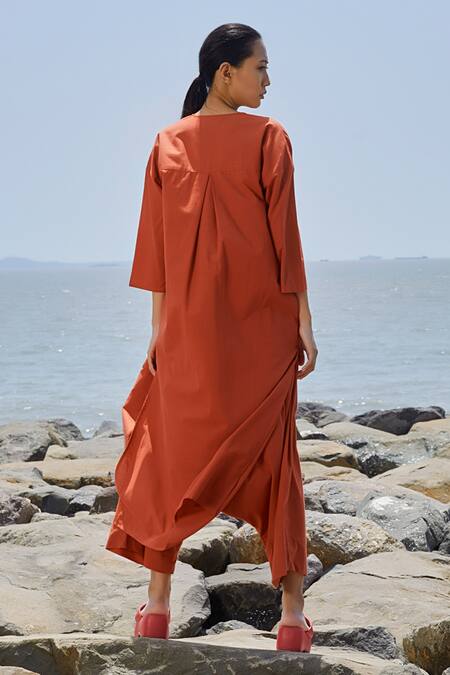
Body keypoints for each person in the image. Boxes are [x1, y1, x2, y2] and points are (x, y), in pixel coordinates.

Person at [105, 22, 318, 652]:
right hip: (262, 330)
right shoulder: (269, 138)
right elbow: (286, 241)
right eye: (260, 67)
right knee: (277, 464)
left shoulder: (167, 143)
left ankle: (156, 608)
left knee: (167, 458)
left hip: (188, 333)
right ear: (225, 73)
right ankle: (291, 618)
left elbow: (155, 253)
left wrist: (158, 332)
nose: (268, 80)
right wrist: (304, 322)